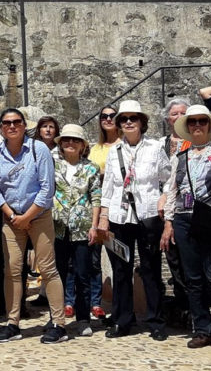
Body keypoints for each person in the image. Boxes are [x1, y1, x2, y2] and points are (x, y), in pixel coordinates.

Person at [160, 105, 211, 356]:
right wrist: (168, 223)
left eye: (201, 122)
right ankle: (203, 329)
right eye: (193, 122)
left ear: (208, 126)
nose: (197, 126)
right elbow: (173, 190)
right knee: (193, 279)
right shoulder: (180, 158)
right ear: (187, 127)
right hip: (185, 220)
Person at [0, 108, 67, 344]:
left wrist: (28, 216)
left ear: (24, 126)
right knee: (12, 270)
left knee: (47, 268)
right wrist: (12, 214)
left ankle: (59, 323)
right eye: (7, 123)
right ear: (1, 127)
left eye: (16, 122)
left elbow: (47, 188)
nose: (12, 126)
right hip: (11, 217)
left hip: (38, 216)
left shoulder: (38, 149)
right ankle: (12, 322)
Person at [96, 100, 170, 341]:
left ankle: (156, 321)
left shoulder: (155, 148)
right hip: (120, 216)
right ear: (119, 124)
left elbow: (168, 178)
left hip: (148, 215)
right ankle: (123, 320)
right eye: (124, 119)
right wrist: (104, 219)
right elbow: (107, 189)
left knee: (150, 269)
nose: (128, 122)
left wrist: (164, 199)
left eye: (133, 118)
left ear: (141, 122)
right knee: (121, 270)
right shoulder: (115, 152)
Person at [51, 124, 100, 337]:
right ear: (60, 144)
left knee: (82, 275)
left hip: (82, 227)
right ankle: (57, 319)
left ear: (82, 146)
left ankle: (82, 318)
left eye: (75, 140)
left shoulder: (91, 168)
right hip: (57, 227)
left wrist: (95, 225)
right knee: (57, 275)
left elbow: (96, 197)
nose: (70, 143)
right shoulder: (53, 165)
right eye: (66, 140)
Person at [76, 104, 118, 320]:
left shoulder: (123, 145)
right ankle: (95, 300)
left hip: (118, 206)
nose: (108, 119)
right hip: (96, 205)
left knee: (117, 255)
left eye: (113, 116)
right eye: (104, 116)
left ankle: (117, 305)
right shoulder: (96, 148)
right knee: (93, 256)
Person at [158, 98, 191, 319]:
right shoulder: (161, 144)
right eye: (174, 114)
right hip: (166, 206)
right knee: (174, 258)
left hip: (189, 206)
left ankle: (196, 307)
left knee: (192, 259)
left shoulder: (196, 140)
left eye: (183, 113)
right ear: (168, 119)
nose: (178, 117)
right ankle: (182, 305)